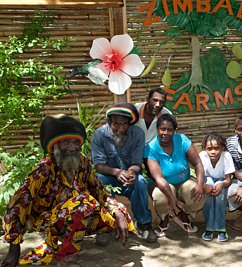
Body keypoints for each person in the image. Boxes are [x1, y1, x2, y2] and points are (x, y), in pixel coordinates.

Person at [0, 114, 134, 267]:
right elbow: (18, 203)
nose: (71, 147)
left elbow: (99, 190)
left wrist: (116, 211)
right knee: (82, 203)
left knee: (117, 212)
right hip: (48, 218)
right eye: (65, 142)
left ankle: (80, 236)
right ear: (55, 146)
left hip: (75, 212)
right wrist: (14, 247)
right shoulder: (44, 168)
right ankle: (64, 257)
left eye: (75, 142)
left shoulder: (83, 161)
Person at [91, 103, 157, 243]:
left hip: (129, 178)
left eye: (125, 125)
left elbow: (137, 162)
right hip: (109, 176)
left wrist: (132, 172)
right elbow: (98, 165)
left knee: (140, 182)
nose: (121, 129)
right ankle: (105, 226)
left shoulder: (137, 134)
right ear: (109, 122)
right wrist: (116, 172)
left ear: (130, 124)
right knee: (99, 180)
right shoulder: (99, 135)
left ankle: (144, 224)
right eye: (116, 125)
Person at [144, 114, 205, 237]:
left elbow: (198, 164)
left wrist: (199, 185)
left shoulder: (182, 140)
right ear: (157, 129)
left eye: (169, 130)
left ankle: (184, 214)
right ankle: (164, 219)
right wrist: (172, 198)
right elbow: (159, 178)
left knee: (197, 194)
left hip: (184, 181)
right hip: (162, 184)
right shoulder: (150, 148)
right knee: (161, 197)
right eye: (162, 129)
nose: (165, 133)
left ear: (174, 131)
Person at [200, 132, 235, 242]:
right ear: (205, 148)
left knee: (220, 197)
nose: (213, 152)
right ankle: (209, 227)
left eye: (216, 148)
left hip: (222, 181)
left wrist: (222, 184)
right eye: (209, 148)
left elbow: (228, 179)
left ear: (222, 147)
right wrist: (205, 186)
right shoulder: (202, 156)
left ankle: (221, 227)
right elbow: (200, 177)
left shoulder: (226, 156)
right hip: (207, 181)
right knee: (209, 188)